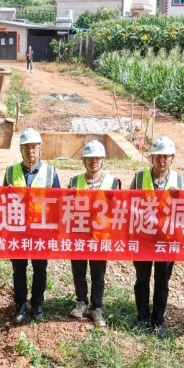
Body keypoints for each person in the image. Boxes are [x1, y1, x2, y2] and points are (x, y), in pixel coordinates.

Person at [130, 136, 184, 336]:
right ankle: (142, 317)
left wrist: (179, 197)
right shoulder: (139, 178)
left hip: (167, 240)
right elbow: (128, 205)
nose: (161, 160)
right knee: (142, 279)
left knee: (162, 282)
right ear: (151, 158)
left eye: (166, 157)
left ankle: (158, 321)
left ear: (172, 158)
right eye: (158, 156)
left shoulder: (180, 180)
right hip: (143, 238)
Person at [4, 128, 60, 323]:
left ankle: (37, 303)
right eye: (26, 147)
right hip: (17, 231)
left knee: (39, 269)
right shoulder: (10, 172)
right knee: (18, 270)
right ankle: (20, 304)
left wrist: (55, 231)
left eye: (34, 147)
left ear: (40, 149)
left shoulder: (50, 172)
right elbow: (3, 201)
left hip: (41, 231)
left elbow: (57, 204)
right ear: (21, 150)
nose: (30, 151)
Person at [68, 140, 121, 328]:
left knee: (98, 274)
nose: (94, 162)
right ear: (84, 160)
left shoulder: (112, 182)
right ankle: (81, 302)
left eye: (98, 158)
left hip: (101, 236)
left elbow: (119, 209)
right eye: (90, 158)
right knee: (79, 271)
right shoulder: (74, 181)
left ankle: (96, 307)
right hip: (79, 234)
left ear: (103, 160)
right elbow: (65, 206)